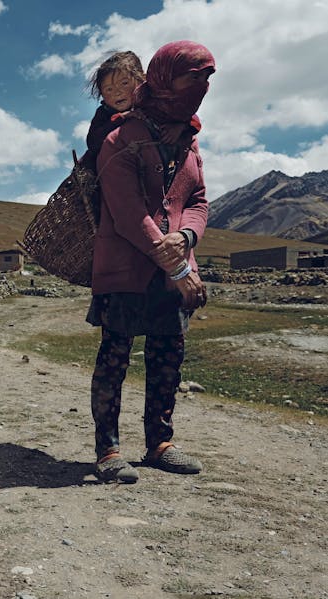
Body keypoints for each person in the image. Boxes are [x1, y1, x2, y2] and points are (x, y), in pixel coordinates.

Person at [88, 41, 215, 483]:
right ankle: (108, 451)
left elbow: (197, 200)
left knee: (167, 355)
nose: (200, 86)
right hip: (127, 267)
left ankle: (159, 443)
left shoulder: (189, 142)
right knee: (115, 357)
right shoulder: (119, 137)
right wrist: (177, 267)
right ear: (164, 78)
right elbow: (126, 213)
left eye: (206, 78)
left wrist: (186, 236)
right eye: (192, 76)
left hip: (175, 266)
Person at [81, 50, 146, 174]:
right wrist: (121, 118)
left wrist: (179, 127)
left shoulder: (152, 103)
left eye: (124, 83)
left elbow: (182, 115)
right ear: (102, 95)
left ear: (142, 79)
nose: (117, 92)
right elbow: (93, 143)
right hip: (106, 172)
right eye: (109, 89)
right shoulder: (104, 113)